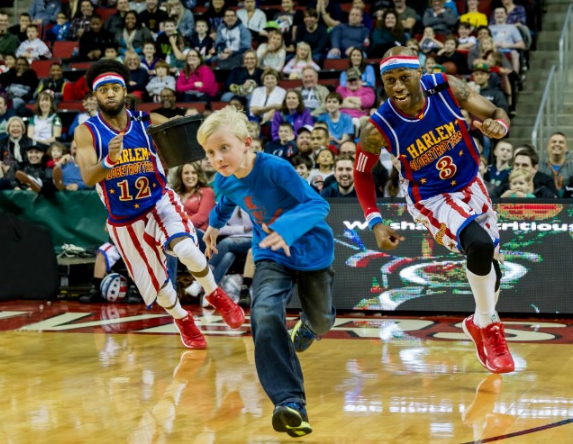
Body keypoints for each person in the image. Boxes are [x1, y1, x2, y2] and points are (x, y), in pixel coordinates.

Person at [353, 46, 515, 375]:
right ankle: (490, 327)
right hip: (431, 198)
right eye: (389, 80)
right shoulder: (377, 126)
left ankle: (478, 321)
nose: (397, 86)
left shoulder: (445, 87)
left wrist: (499, 126)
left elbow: (496, 111)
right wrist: (375, 221)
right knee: (480, 245)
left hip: (471, 183)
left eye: (403, 77)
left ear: (420, 73)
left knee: (490, 268)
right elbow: (360, 172)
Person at [74, 60, 245, 349]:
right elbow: (89, 176)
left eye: (116, 87)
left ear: (125, 91)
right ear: (96, 97)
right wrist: (109, 159)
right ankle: (182, 319)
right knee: (158, 286)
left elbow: (192, 135)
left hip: (158, 201)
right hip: (124, 219)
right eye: (104, 90)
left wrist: (219, 131)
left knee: (187, 248)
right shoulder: (87, 132)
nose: (111, 94)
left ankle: (215, 294)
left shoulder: (146, 121)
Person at [198, 105, 336, 438]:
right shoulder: (225, 179)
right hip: (270, 253)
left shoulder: (276, 168)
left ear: (247, 143)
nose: (217, 157)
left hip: (311, 251)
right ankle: (289, 402)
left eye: (224, 148)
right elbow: (227, 201)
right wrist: (214, 227)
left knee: (321, 320)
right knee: (262, 310)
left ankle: (307, 330)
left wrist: (286, 229)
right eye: (210, 152)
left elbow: (318, 205)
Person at [538, 132, 573, 196]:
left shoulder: (572, 166)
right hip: (546, 202)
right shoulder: (539, 166)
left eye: (561, 142)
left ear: (566, 148)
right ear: (548, 147)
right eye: (554, 142)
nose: (557, 144)